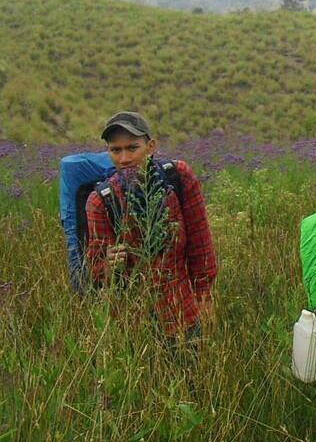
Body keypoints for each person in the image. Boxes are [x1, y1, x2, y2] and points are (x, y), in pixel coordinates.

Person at [85, 111, 217, 344]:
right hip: (132, 324)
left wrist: (204, 297)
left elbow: (201, 245)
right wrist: (109, 265)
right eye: (115, 150)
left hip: (182, 313)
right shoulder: (100, 202)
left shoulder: (179, 178)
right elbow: (95, 272)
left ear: (151, 146)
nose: (124, 158)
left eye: (132, 148)